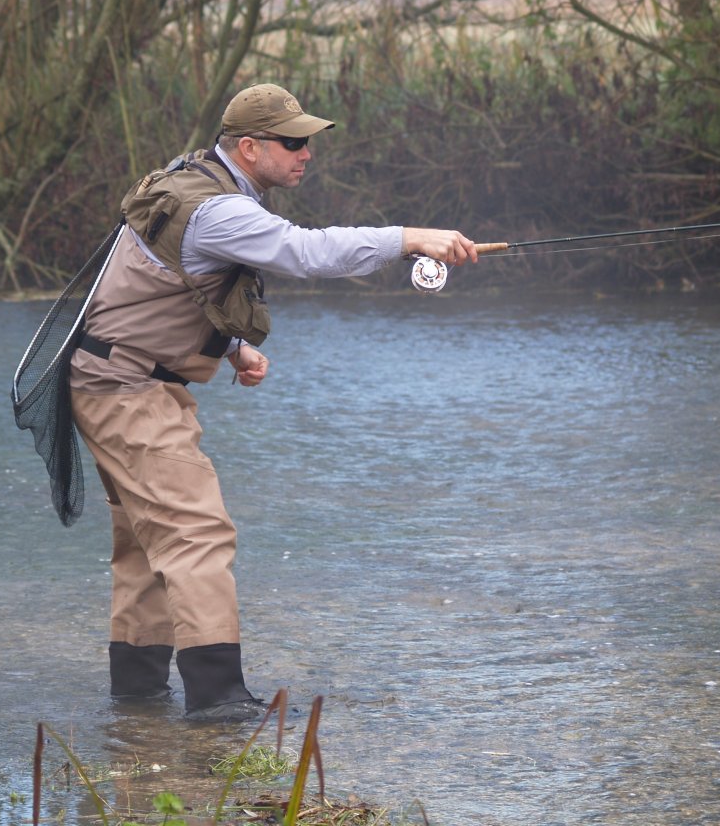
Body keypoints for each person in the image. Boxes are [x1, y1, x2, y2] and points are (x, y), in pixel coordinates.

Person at [69, 83, 478, 721]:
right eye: (293, 142)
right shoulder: (220, 210)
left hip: (116, 376)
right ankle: (220, 704)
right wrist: (409, 238)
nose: (306, 152)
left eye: (308, 140)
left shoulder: (192, 181)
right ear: (250, 146)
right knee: (196, 534)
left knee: (146, 544)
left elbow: (162, 279)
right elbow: (306, 253)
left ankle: (138, 701)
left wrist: (231, 347)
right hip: (128, 388)